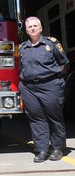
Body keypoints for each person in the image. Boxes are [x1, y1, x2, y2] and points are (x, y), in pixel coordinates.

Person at [19, 16, 69, 163]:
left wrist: (55, 81)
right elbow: (21, 68)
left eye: (35, 26)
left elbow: (63, 64)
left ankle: (57, 148)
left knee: (54, 117)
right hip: (29, 88)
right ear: (27, 30)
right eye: (30, 27)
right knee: (36, 118)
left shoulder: (52, 43)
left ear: (41, 28)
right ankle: (41, 150)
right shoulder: (22, 48)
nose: (33, 28)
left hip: (50, 85)